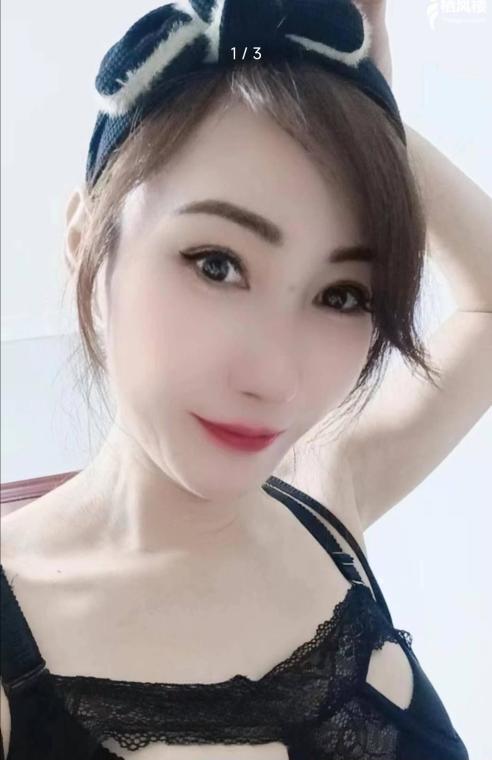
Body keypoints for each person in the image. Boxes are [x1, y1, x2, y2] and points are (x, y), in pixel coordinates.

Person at [1, 1, 490, 757]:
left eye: (342, 294)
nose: (274, 379)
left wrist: (361, 103)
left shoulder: (326, 502)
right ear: (85, 239)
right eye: (217, 264)